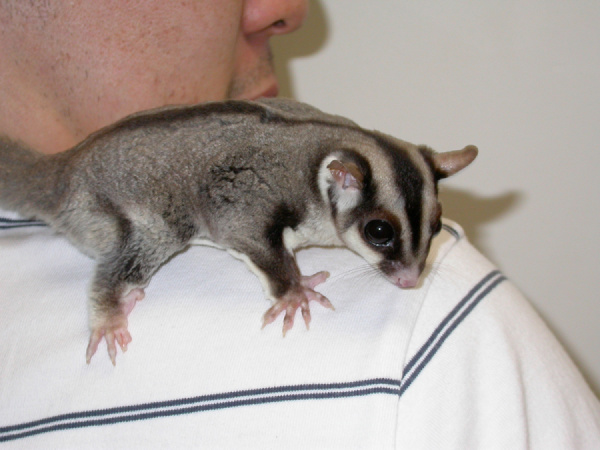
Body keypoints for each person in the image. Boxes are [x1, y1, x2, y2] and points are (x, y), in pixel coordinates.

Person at [0, 1, 598, 448]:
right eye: (382, 237)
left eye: (426, 236)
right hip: (126, 194)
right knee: (164, 227)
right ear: (339, 182)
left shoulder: (432, 335)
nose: (290, 8)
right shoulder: (409, 333)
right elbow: (242, 222)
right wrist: (286, 284)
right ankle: (108, 300)